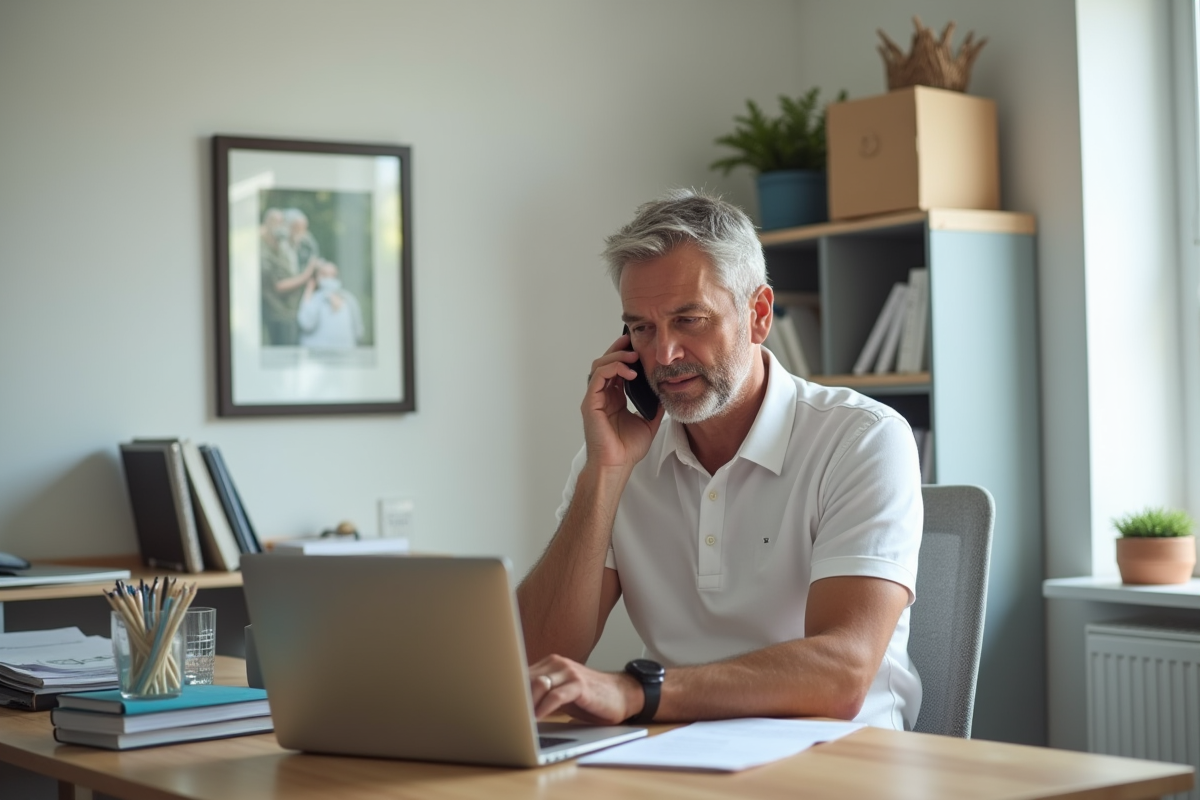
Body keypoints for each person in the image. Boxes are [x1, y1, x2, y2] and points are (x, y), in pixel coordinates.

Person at [516, 190, 923, 731]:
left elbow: (842, 673)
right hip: (676, 752)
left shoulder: (862, 440)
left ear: (758, 314)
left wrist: (638, 692)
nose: (664, 355)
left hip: (839, 762)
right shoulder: (615, 458)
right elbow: (529, 663)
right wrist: (605, 475)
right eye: (641, 327)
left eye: (690, 319)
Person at [260, 207, 315, 346]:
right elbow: (279, 285)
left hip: (292, 312)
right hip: (277, 314)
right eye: (277, 222)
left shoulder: (288, 247)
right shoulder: (264, 252)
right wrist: (307, 274)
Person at [297, 259, 364, 348]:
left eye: (333, 275)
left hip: (345, 357)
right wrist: (309, 290)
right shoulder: (315, 299)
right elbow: (306, 323)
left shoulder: (349, 300)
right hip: (317, 358)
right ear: (316, 278)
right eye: (324, 274)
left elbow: (358, 331)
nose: (329, 278)